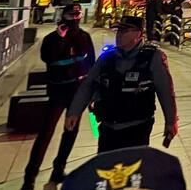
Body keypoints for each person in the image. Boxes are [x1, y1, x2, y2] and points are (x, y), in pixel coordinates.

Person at [65, 15, 178, 154]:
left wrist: (171, 121)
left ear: (138, 34)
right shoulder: (107, 57)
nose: (119, 35)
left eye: (125, 31)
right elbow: (88, 85)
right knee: (105, 163)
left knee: (132, 165)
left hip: (137, 128)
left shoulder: (152, 57)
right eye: (118, 31)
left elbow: (165, 91)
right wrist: (74, 112)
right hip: (108, 126)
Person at [21, 4, 95, 190]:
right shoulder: (51, 39)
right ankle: (30, 177)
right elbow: (49, 58)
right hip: (58, 90)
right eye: (72, 15)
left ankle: (58, 169)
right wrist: (60, 39)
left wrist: (92, 92)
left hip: (77, 90)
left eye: (78, 14)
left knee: (71, 131)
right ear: (64, 16)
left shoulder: (84, 37)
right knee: (46, 132)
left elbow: (91, 64)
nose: (75, 18)